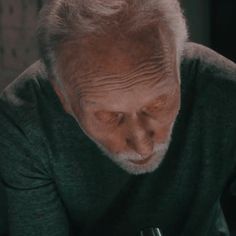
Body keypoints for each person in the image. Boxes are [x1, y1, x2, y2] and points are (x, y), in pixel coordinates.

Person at [0, 0, 236, 235]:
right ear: (63, 96)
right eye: (110, 116)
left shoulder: (225, 90)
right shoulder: (23, 123)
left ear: (178, 64)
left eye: (158, 104)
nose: (142, 146)